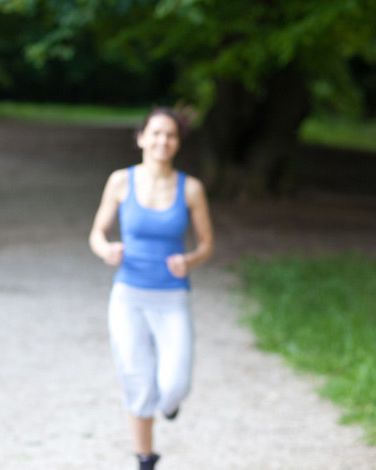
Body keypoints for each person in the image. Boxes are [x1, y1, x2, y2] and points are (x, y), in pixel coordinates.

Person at [89, 107, 214, 470]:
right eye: (156, 133)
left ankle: (171, 406)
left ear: (177, 143)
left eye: (170, 135)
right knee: (137, 380)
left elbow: (207, 244)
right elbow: (97, 233)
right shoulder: (120, 181)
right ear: (141, 137)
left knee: (174, 385)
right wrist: (107, 249)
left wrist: (188, 261)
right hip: (128, 296)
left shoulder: (190, 189)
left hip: (172, 298)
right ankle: (145, 458)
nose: (163, 141)